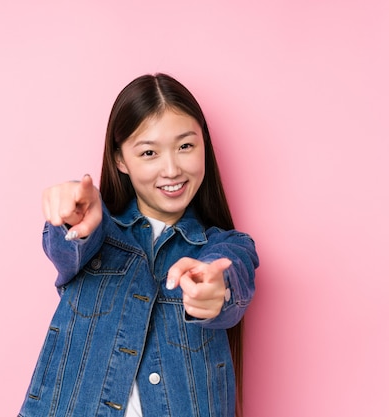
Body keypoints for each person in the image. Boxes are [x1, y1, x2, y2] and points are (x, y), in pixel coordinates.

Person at [18, 73, 259, 417]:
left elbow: (233, 269)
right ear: (120, 160)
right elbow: (67, 244)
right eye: (149, 152)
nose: (172, 168)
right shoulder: (99, 233)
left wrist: (215, 290)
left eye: (185, 146)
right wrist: (70, 215)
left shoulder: (224, 247)